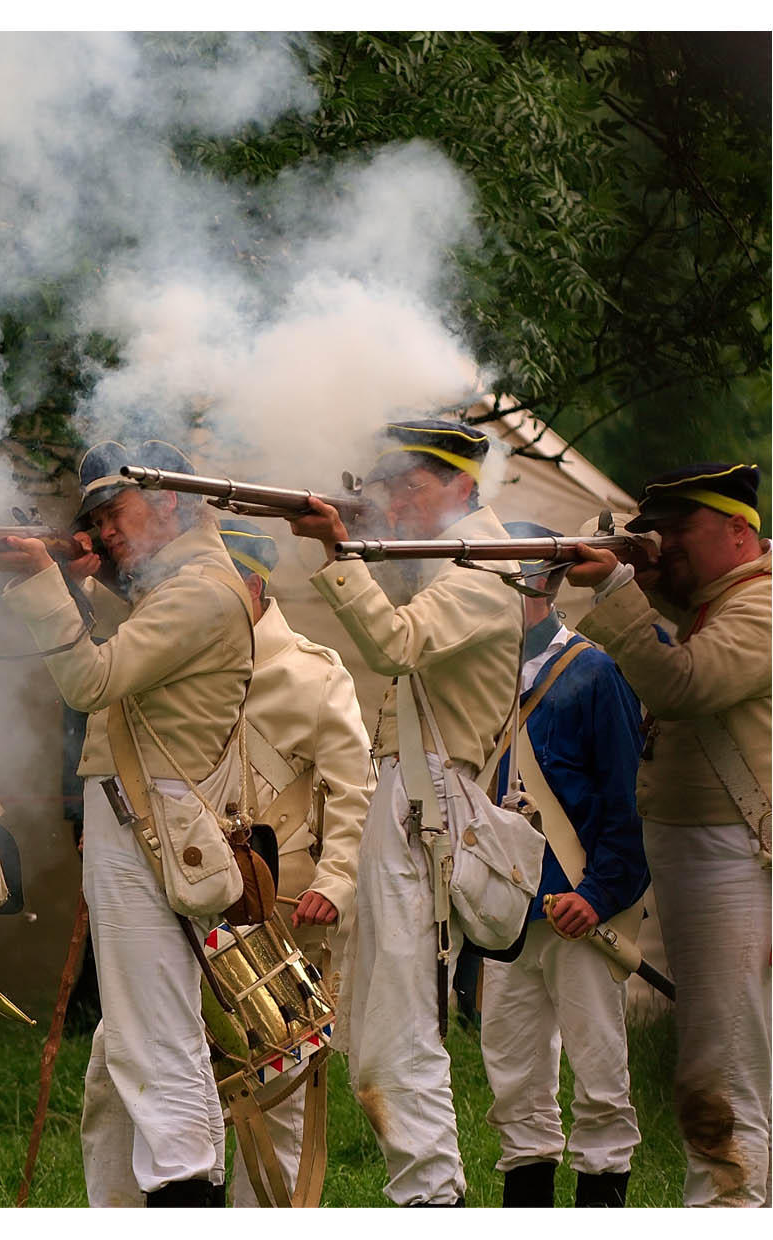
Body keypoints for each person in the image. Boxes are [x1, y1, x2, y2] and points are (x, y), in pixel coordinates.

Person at [0, 439, 252, 1207]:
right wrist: (68, 586)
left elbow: (91, 678)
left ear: (169, 501)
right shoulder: (184, 585)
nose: (103, 533)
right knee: (129, 1053)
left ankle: (181, 1199)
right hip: (149, 825)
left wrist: (44, 586)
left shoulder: (198, 590)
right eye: (95, 519)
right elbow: (137, 640)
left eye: (114, 513)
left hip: (148, 827)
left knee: (155, 1047)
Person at [289, 417, 522, 1206]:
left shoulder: (483, 571)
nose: (397, 501)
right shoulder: (450, 564)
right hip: (412, 798)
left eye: (411, 487)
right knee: (380, 1027)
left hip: (427, 805)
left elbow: (394, 642)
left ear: (463, 485)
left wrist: (336, 549)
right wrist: (351, 539)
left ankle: (431, 1201)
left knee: (397, 1031)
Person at [567, 462, 771, 1208]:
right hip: (711, 849)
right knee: (726, 1055)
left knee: (720, 1068)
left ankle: (728, 1210)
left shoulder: (760, 606)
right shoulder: (716, 602)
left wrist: (618, 589)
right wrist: (646, 579)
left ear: (738, 530)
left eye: (681, 528)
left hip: (731, 854)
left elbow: (684, 683)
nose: (665, 543)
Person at [477, 522, 649, 1208]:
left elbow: (625, 801)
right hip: (505, 912)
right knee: (514, 1078)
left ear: (538, 586)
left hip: (579, 907)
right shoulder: (481, 673)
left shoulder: (595, 671)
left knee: (600, 1074)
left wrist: (599, 894)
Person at [214, 518, 373, 1208]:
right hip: (188, 906)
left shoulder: (314, 674)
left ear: (249, 586)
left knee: (274, 1089)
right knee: (130, 1069)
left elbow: (354, 791)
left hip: (283, 910)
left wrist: (337, 882)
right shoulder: (177, 669)